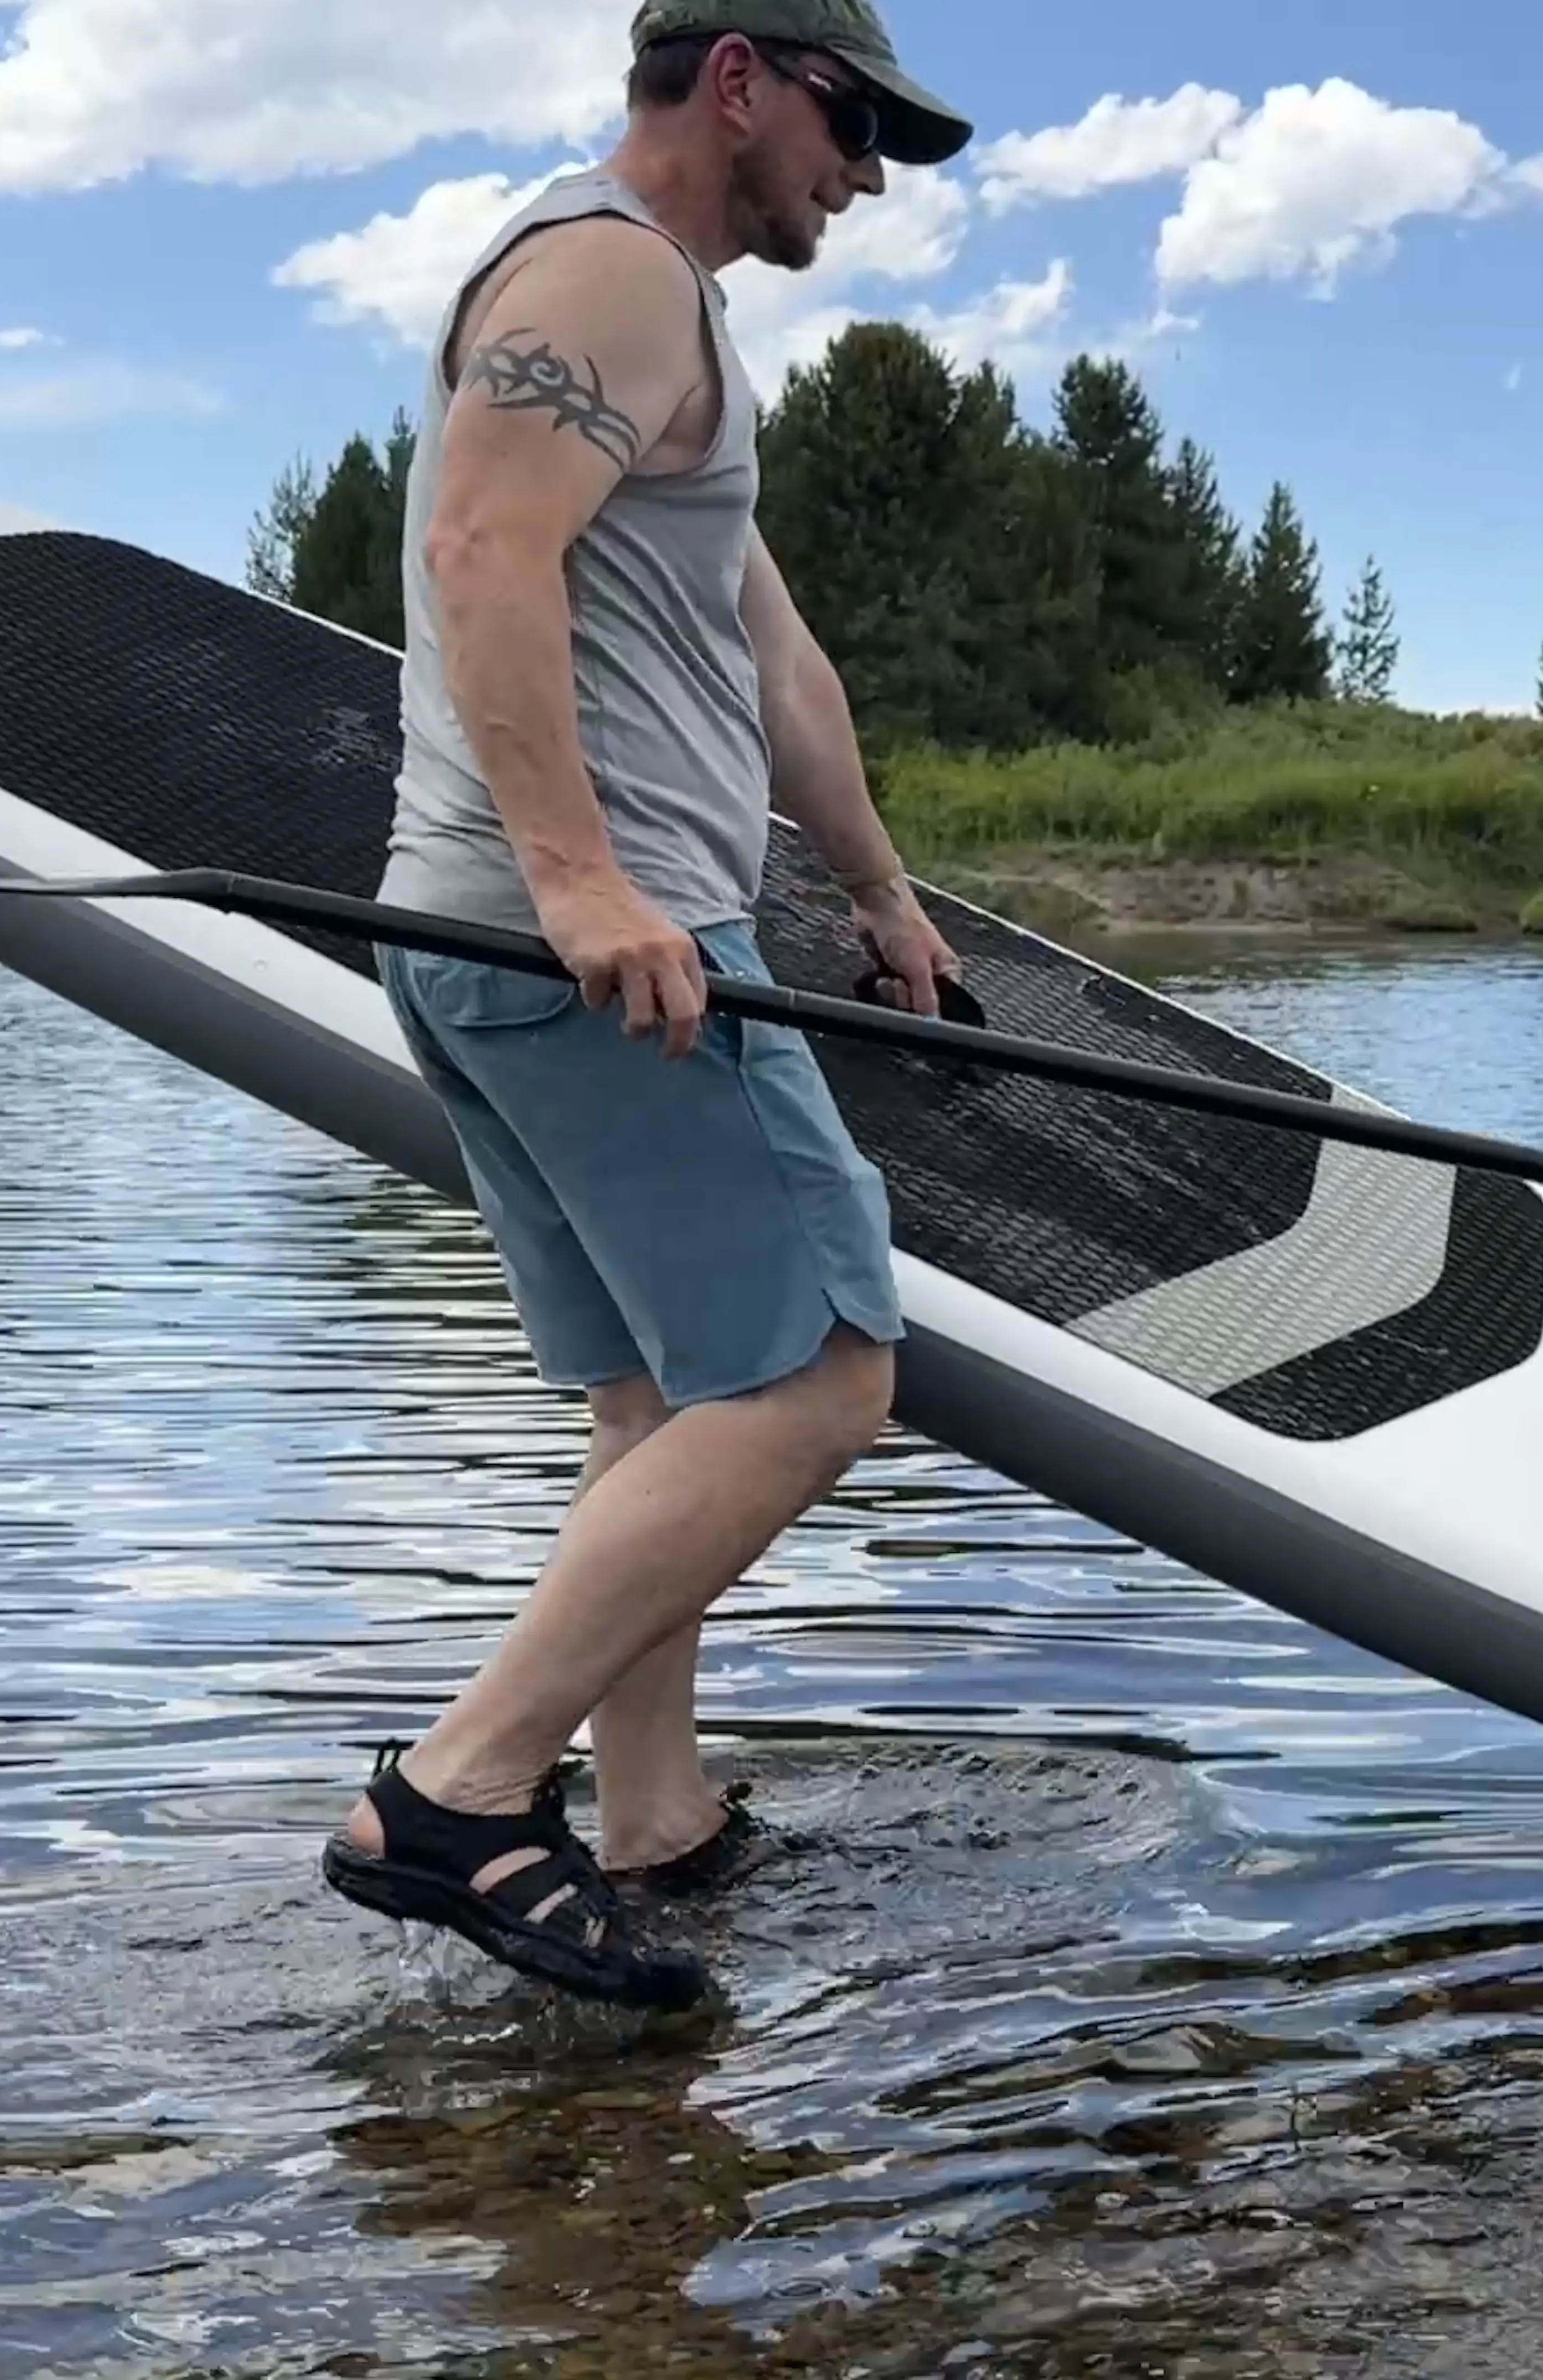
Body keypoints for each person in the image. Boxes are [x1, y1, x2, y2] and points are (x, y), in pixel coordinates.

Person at [317, 1, 975, 2011]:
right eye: (856, 125)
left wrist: (880, 894)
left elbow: (782, 670)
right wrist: (588, 880)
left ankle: (655, 1817)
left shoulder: (676, 327)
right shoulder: (600, 269)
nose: (863, 177)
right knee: (825, 1378)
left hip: (503, 948)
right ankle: (455, 1792)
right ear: (745, 80)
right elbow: (477, 542)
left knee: (662, 1403)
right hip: (595, 949)